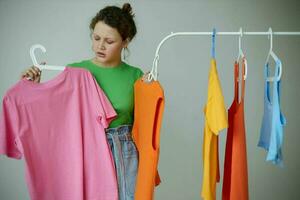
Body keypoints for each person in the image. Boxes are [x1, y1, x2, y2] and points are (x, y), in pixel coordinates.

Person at [21, 3, 146, 200]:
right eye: (96, 38)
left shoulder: (136, 76)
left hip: (123, 151)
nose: (100, 46)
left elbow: (144, 128)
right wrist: (36, 87)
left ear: (126, 41)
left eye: (109, 41)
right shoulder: (75, 72)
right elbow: (55, 117)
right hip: (84, 148)